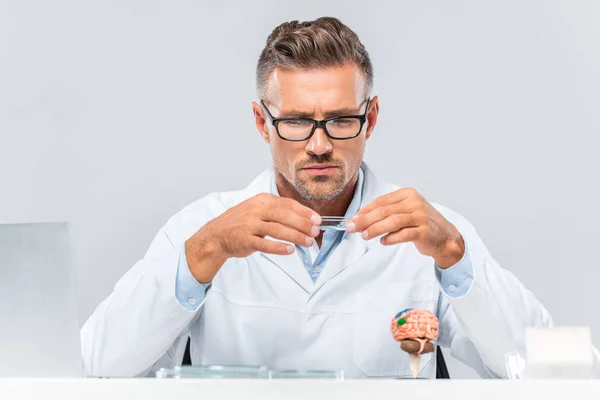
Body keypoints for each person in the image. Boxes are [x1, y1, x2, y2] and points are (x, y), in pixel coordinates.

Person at [81, 17, 554, 379]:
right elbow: (101, 366)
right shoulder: (204, 228)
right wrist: (207, 252)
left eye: (341, 120)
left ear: (370, 120)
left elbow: (538, 371)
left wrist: (455, 257)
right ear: (262, 123)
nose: (319, 144)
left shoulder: (429, 234)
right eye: (296, 121)